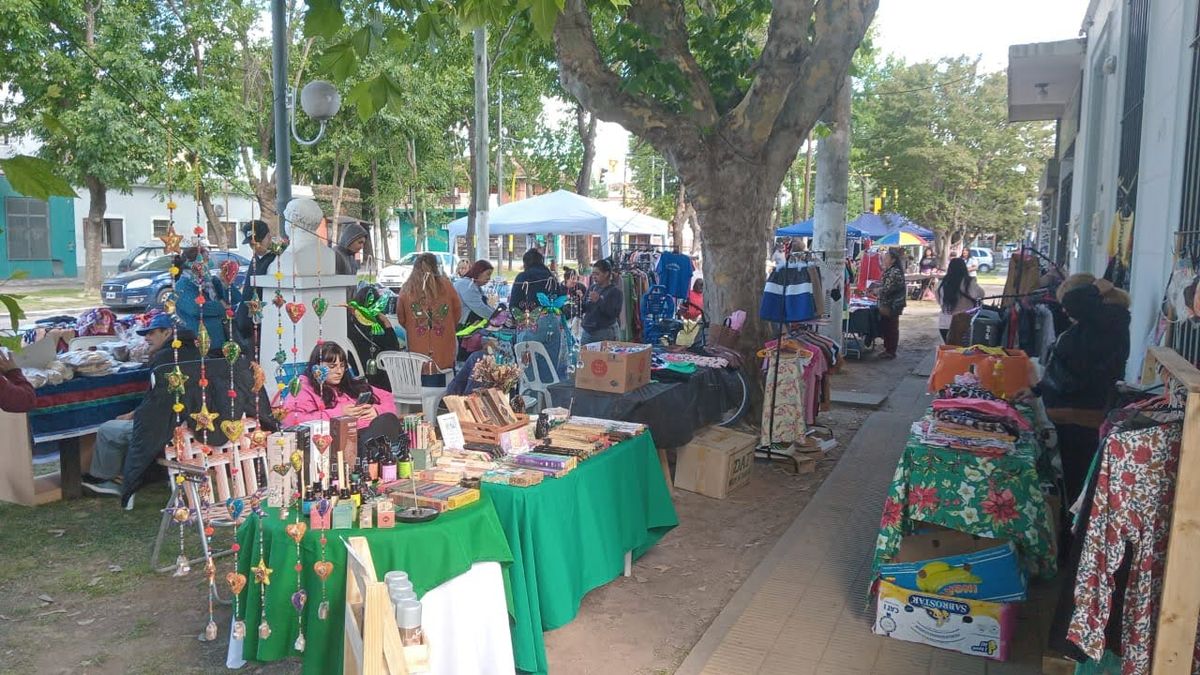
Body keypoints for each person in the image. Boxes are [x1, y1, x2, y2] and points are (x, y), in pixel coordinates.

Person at [1015, 275, 1131, 507]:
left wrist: (1095, 289)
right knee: (1075, 480)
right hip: (1075, 415)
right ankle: (1073, 520)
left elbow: (1076, 374)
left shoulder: (1107, 325)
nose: (1065, 311)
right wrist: (1037, 389)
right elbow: (1069, 370)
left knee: (1079, 483)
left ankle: (1074, 525)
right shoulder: (1098, 325)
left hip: (1082, 418)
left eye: (1067, 304)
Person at [82, 314, 188, 498]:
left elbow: (159, 403)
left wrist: (133, 415)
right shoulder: (191, 353)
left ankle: (109, 480)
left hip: (166, 430)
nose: (146, 338)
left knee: (108, 430)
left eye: (151, 333)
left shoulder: (165, 360)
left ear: (167, 333)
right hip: (187, 427)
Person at [282, 342, 399, 445]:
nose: (339, 371)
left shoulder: (350, 384)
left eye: (342, 366)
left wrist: (377, 411)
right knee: (387, 424)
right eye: (332, 366)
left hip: (369, 431)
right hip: (339, 442)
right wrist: (339, 414)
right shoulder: (305, 388)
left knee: (388, 421)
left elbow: (388, 397)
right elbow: (289, 420)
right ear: (316, 368)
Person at [394, 252, 461, 373]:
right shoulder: (447, 286)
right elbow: (457, 314)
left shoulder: (407, 288)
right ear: (436, 266)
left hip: (417, 350)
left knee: (420, 375)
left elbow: (401, 318)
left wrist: (413, 327)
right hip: (444, 350)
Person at [508, 248, 567, 377]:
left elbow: (514, 304)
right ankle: (546, 390)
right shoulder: (551, 277)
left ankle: (530, 390)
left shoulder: (523, 277)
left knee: (528, 370)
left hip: (531, 323)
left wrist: (516, 318)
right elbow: (561, 300)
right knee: (549, 368)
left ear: (525, 263)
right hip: (553, 323)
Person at [175, 247, 241, 352]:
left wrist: (226, 283)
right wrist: (222, 307)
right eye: (206, 260)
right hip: (202, 343)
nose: (209, 264)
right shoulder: (182, 285)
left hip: (223, 339)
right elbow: (196, 309)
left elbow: (237, 300)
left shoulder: (211, 281)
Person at [347, 284, 402, 390]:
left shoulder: (349, 322)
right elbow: (393, 348)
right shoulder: (377, 324)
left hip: (355, 369)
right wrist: (387, 323)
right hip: (377, 373)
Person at [235, 220, 277, 352]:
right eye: (251, 243)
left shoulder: (275, 260)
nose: (254, 246)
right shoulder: (255, 259)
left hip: (264, 324)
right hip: (248, 324)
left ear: (268, 237)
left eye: (258, 241)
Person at [936, 257, 984, 342]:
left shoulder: (941, 283)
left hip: (944, 323)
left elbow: (939, 300)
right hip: (963, 322)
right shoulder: (968, 283)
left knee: (949, 347)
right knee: (961, 348)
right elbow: (980, 294)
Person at [874, 247, 907, 359]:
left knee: (891, 327)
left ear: (893, 260)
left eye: (886, 257)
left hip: (892, 304)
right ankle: (888, 348)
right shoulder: (890, 270)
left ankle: (890, 350)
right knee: (888, 326)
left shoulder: (894, 272)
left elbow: (887, 289)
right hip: (888, 303)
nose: (884, 259)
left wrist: (877, 290)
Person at [582, 258, 624, 344]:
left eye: (597, 274)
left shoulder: (615, 292)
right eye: (593, 274)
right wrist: (578, 303)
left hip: (605, 332)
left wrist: (599, 301)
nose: (594, 277)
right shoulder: (592, 287)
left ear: (606, 274)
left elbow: (613, 313)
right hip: (588, 331)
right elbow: (586, 307)